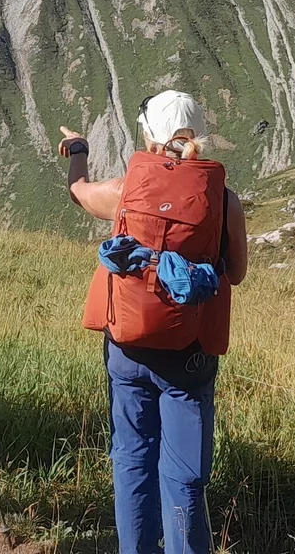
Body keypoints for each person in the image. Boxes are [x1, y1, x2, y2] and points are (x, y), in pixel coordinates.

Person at [59, 91, 249, 554]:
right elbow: (237, 273)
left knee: (131, 458)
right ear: (197, 138)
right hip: (189, 356)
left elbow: (79, 192)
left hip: (127, 346)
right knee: (183, 474)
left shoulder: (127, 191)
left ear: (149, 136)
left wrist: (78, 150)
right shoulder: (224, 201)